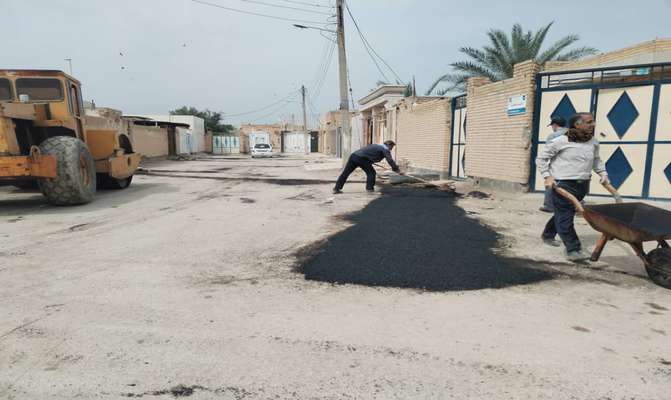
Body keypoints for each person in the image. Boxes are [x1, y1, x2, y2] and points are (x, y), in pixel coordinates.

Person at [536, 112, 610, 262]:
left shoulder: (593, 142)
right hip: (563, 184)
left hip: (582, 185)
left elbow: (596, 160)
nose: (593, 124)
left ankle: (548, 235)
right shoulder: (560, 141)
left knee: (563, 212)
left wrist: (603, 173)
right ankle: (573, 249)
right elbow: (541, 159)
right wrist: (547, 176)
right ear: (577, 124)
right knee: (565, 215)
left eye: (593, 121)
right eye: (589, 122)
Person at [333, 140, 403, 194]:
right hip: (362, 159)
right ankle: (369, 189)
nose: (391, 149)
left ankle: (336, 188)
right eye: (392, 147)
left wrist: (370, 161)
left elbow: (370, 154)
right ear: (389, 145)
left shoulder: (376, 146)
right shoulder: (385, 149)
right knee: (371, 173)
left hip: (354, 156)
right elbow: (390, 160)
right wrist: (396, 170)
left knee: (346, 173)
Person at [539, 116, 568, 213]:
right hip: (572, 165)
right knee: (570, 184)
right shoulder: (573, 133)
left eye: (552, 125)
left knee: (550, 183)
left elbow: (548, 151)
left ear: (555, 125)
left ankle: (549, 206)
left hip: (558, 165)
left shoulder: (553, 136)